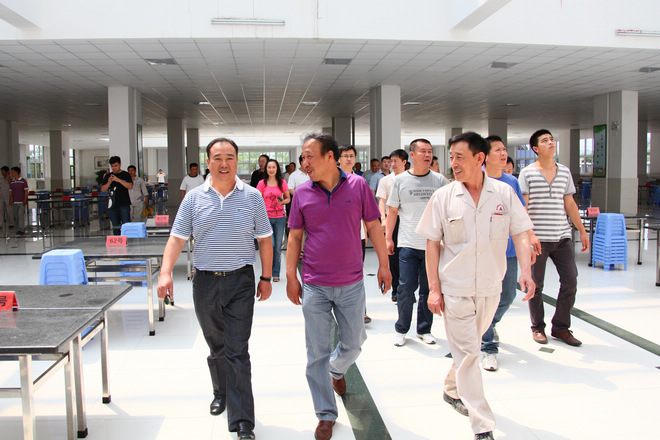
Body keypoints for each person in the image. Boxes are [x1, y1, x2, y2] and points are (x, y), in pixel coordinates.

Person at [417, 131, 535, 440]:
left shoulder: (504, 193)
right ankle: (483, 425)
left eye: (460, 157)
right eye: (451, 157)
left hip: (490, 286)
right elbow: (432, 244)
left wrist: (525, 271)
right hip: (455, 287)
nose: (453, 163)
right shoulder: (443, 197)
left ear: (479, 158)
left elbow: (520, 232)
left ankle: (451, 388)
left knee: (466, 350)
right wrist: (434, 289)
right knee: (470, 353)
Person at [157, 137, 272, 440]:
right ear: (208, 162)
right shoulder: (194, 199)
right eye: (217, 158)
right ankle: (220, 392)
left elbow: (264, 239)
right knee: (216, 345)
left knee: (238, 350)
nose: (224, 163)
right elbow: (177, 238)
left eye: (230, 157)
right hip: (205, 282)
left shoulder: (252, 197)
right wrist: (165, 273)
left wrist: (266, 277)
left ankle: (243, 420)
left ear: (237, 161)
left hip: (241, 281)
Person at [286, 133, 391, 440]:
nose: (305, 163)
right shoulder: (302, 193)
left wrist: (384, 265)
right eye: (303, 157)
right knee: (316, 353)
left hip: (352, 283)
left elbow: (373, 226)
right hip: (315, 284)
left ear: (330, 157)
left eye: (310, 156)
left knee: (355, 342)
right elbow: (294, 237)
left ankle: (336, 369)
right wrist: (291, 276)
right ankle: (325, 413)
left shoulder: (358, 186)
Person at [518, 129, 589, 347]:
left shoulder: (565, 172)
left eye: (551, 139)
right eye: (545, 140)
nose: (550, 142)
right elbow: (523, 207)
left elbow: (570, 204)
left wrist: (582, 230)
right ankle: (537, 327)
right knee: (536, 285)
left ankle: (560, 327)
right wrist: (530, 235)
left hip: (562, 236)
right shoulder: (527, 173)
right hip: (538, 239)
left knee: (570, 281)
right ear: (535, 148)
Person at [386, 139, 447, 347]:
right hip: (408, 244)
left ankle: (424, 329)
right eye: (423, 151)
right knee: (405, 288)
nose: (427, 155)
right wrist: (388, 238)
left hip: (433, 245)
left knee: (428, 290)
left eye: (430, 151)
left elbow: (446, 211)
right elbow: (392, 211)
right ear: (412, 155)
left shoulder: (439, 180)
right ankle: (401, 329)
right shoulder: (400, 180)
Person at [479, 136, 532, 371]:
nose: (503, 154)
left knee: (508, 295)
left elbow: (521, 215)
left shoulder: (511, 182)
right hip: (483, 251)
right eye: (498, 150)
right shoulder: (476, 180)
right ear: (484, 156)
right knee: (485, 298)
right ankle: (488, 348)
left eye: (504, 150)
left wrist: (531, 237)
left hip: (508, 249)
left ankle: (488, 324)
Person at [338, 144, 371, 324]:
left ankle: (361, 311)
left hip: (357, 236)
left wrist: (365, 231)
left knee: (357, 273)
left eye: (351, 155)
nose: (349, 159)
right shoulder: (332, 181)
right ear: (338, 159)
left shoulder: (360, 182)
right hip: (337, 238)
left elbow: (366, 211)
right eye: (345, 155)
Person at [375, 149, 408, 303]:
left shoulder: (410, 179)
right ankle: (396, 289)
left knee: (407, 254)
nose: (392, 164)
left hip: (407, 220)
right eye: (391, 161)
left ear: (404, 162)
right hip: (392, 219)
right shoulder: (385, 181)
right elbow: (382, 201)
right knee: (393, 254)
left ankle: (407, 289)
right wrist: (383, 219)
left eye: (396, 161)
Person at [256, 159, 290, 282]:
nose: (271, 170)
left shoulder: (282, 182)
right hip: (266, 218)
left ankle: (276, 273)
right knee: (271, 245)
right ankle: (267, 272)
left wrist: (283, 201)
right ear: (266, 169)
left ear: (277, 169)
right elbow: (257, 199)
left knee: (277, 248)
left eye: (273, 167)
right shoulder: (261, 183)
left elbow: (288, 198)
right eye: (269, 167)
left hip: (280, 218)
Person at [101, 156, 133, 235]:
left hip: (124, 204)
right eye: (112, 166)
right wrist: (109, 182)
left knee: (126, 225)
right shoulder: (108, 176)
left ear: (120, 164)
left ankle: (127, 240)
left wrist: (118, 180)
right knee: (115, 227)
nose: (114, 168)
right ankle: (117, 240)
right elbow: (103, 189)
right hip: (112, 205)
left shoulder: (125, 174)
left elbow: (130, 186)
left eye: (116, 166)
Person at [8, 166, 28, 235]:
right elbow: (10, 191)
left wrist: (25, 200)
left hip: (21, 201)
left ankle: (21, 229)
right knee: (15, 216)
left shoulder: (23, 181)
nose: (12, 173)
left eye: (12, 172)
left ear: (16, 172)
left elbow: (26, 191)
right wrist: (10, 199)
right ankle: (17, 228)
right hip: (15, 201)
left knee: (20, 215)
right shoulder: (12, 182)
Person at [0, 166, 13, 230]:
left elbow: (11, 185)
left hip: (8, 197)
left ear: (7, 172)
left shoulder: (10, 179)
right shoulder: (1, 179)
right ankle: (1, 223)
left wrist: (8, 176)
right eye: (1, 171)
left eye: (3, 171)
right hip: (1, 197)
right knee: (1, 210)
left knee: (9, 210)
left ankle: (11, 222)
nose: (2, 173)